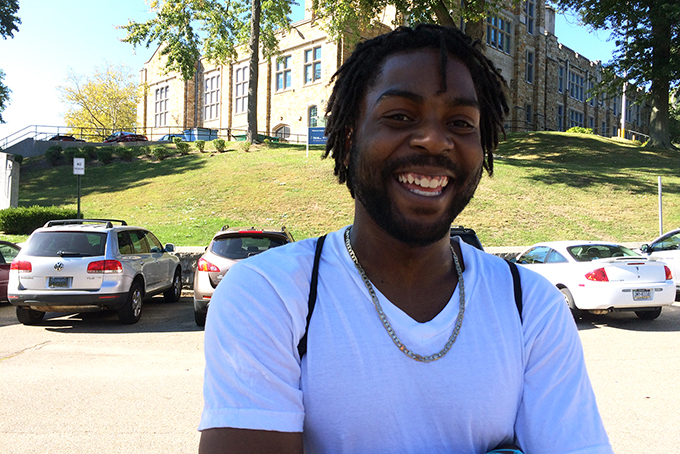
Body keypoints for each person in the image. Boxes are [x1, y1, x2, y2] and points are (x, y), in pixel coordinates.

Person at [198, 24, 614, 454]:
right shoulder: (270, 296)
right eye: (400, 116)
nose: (434, 139)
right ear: (347, 139)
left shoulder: (530, 304)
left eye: (460, 122)